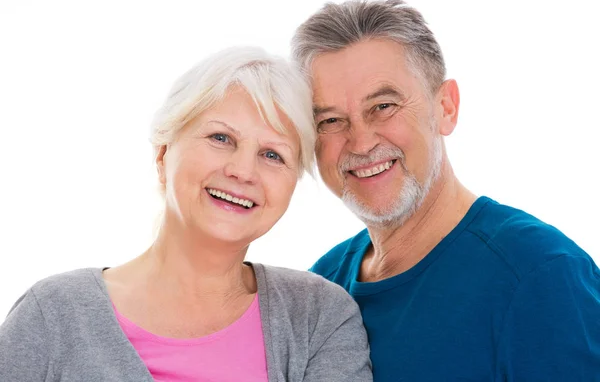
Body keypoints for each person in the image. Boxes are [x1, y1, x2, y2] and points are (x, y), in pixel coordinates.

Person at [0, 46, 372, 382]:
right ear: (163, 154)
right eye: (221, 138)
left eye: (273, 155)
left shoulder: (319, 317)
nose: (243, 171)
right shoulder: (51, 315)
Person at [292, 0, 600, 381]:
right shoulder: (317, 293)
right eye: (331, 120)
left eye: (383, 106)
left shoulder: (540, 276)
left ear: (446, 107)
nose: (360, 142)